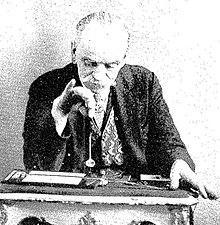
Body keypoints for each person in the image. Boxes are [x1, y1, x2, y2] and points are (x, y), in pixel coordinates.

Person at [23, 11, 217, 199]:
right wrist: (59, 115)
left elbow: (168, 142)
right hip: (72, 201)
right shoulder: (46, 86)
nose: (98, 77)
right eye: (89, 63)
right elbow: (36, 168)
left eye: (110, 65)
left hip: (131, 198)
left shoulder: (144, 83)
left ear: (123, 59)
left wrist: (179, 163)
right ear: (74, 51)